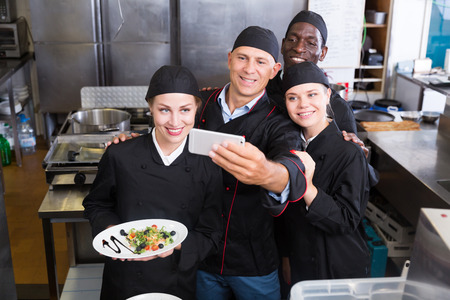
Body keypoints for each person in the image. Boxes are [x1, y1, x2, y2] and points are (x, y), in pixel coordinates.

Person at [82, 65, 224, 300]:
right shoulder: (120, 155)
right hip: (125, 276)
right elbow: (97, 205)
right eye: (164, 110)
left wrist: (175, 245)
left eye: (185, 110)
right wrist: (112, 232)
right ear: (150, 107)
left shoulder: (208, 164)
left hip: (178, 279)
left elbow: (211, 233)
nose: (175, 121)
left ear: (197, 109)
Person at [194, 26, 311, 300]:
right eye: (242, 58)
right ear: (229, 59)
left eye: (261, 62)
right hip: (201, 253)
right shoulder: (200, 103)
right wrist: (132, 140)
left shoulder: (280, 121)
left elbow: (291, 168)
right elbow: (167, 130)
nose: (249, 69)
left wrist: (266, 172)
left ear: (274, 70)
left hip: (253, 262)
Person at [264, 61, 371, 287]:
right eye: (293, 97)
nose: (303, 105)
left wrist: (308, 188)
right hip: (300, 259)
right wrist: (286, 257)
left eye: (312, 94)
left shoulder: (350, 151)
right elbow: (286, 217)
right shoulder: (287, 147)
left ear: (328, 95)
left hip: (339, 266)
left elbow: (346, 220)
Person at [266, 10, 363, 149]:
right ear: (283, 45)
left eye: (311, 43)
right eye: (292, 40)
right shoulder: (263, 91)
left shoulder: (338, 108)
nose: (299, 48)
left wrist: (356, 151)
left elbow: (347, 157)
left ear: (323, 53)